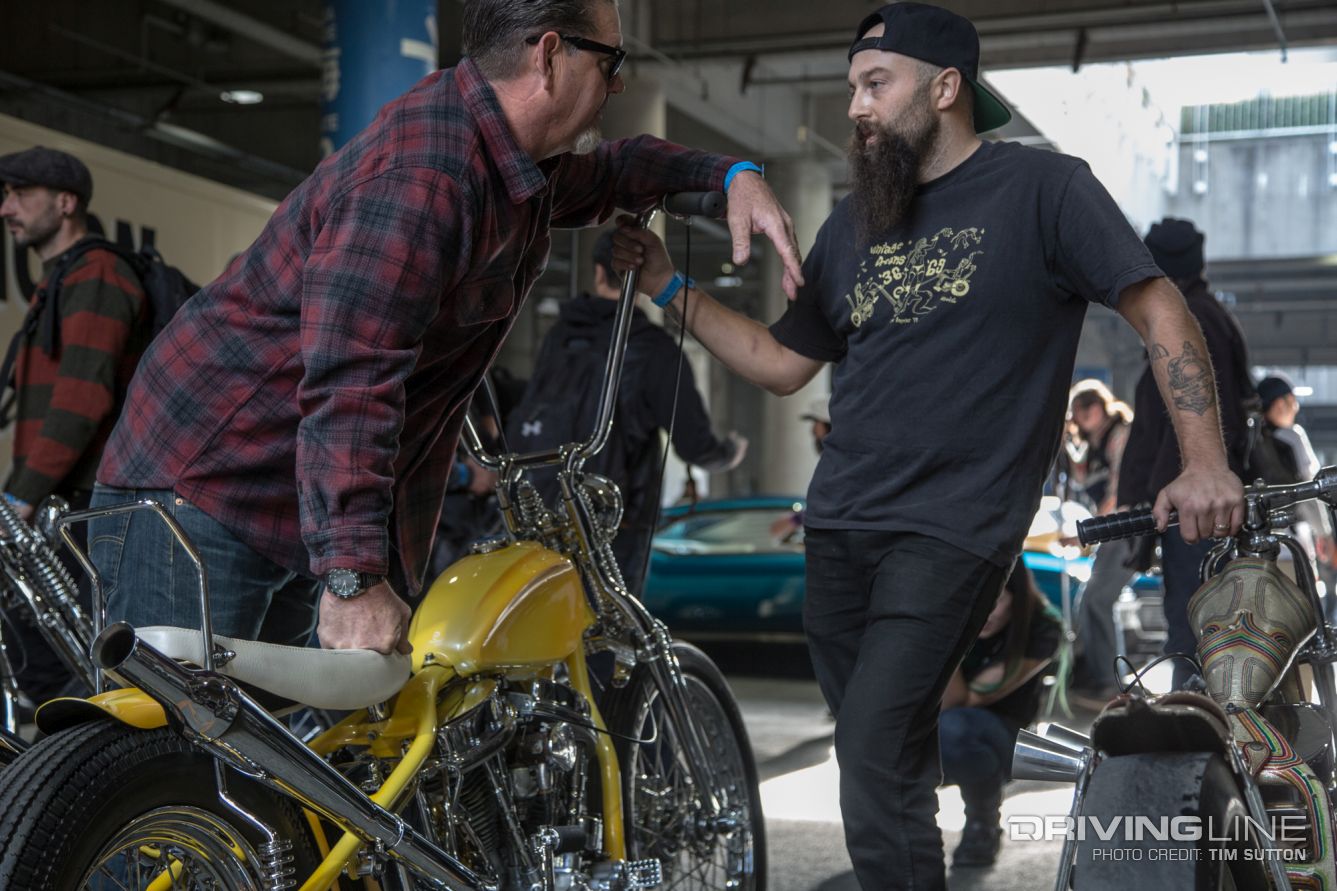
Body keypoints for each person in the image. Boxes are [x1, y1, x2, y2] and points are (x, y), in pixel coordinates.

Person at [611, 4, 1243, 886]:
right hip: (839, 525)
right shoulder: (852, 222)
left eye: (876, 84)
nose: (856, 107)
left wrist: (1204, 461)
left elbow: (1158, 307)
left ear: (945, 88)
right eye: (850, 88)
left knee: (871, 752)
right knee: (888, 759)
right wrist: (666, 283)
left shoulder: (1044, 190)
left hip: (952, 527)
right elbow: (781, 362)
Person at [88, 0, 804, 657]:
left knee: (281, 745)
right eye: (610, 61)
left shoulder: (513, 161)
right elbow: (352, 377)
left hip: (286, 498)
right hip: (204, 488)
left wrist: (731, 174)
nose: (617, 84)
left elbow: (616, 170)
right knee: (175, 742)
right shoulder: (426, 175)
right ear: (549, 54)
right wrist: (352, 576)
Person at [506, 229, 746, 594]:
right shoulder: (656, 350)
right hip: (614, 520)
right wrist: (728, 454)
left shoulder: (559, 337)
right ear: (645, 281)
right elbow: (694, 444)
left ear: (598, 273)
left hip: (542, 510)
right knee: (609, 618)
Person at [0, 146, 149, 703]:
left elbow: (83, 400)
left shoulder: (97, 273)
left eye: (20, 195)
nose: (5, 208)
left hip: (83, 504)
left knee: (70, 664)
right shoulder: (62, 279)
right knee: (42, 658)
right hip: (60, 499)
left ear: (66, 203)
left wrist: (21, 496)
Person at [1118, 217, 1253, 691]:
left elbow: (1218, 420)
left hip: (1195, 504)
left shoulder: (1192, 322)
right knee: (1193, 626)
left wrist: (1185, 480)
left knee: (1195, 629)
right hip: (1190, 499)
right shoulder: (1201, 315)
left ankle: (1195, 724)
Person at [940, 563, 1060, 867]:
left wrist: (945, 637)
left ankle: (983, 820)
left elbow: (961, 700)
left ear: (1017, 597)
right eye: (975, 601)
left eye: (995, 600)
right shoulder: (944, 617)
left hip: (1007, 741)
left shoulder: (1041, 628)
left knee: (953, 727)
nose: (985, 613)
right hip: (937, 730)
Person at [1058, 380, 1137, 701]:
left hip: (1126, 526)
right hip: (1111, 530)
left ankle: (1110, 681)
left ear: (1101, 406)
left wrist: (1086, 533)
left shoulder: (1120, 434)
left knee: (1098, 600)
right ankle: (1103, 676)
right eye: (1077, 412)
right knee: (1090, 601)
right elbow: (1081, 479)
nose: (1083, 416)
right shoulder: (1091, 444)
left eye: (1087, 408)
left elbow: (1118, 491)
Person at [1257, 373, 1334, 577]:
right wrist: (1324, 533)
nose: (1295, 408)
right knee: (1299, 594)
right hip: (1292, 543)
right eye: (1293, 402)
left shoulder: (1252, 442)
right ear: (1280, 404)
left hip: (1258, 545)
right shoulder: (1292, 436)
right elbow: (1312, 488)